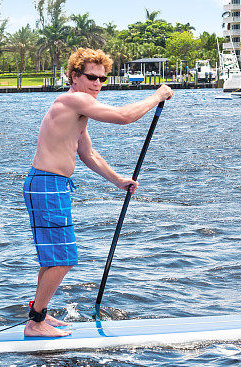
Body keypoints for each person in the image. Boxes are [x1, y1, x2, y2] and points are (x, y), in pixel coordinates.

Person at [23, 48, 173, 337]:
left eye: (103, 79)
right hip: (47, 185)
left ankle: (38, 314)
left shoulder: (78, 109)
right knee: (63, 259)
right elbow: (123, 116)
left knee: (52, 257)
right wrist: (157, 95)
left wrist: (118, 180)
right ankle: (35, 323)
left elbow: (87, 153)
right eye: (92, 77)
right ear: (74, 77)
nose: (98, 84)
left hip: (49, 185)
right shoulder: (73, 99)